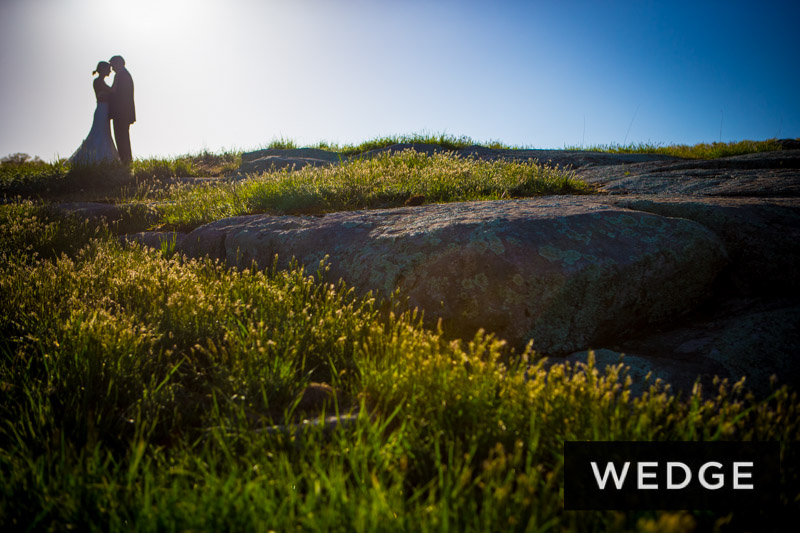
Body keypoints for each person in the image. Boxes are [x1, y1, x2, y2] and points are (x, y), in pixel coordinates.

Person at [68, 61, 120, 164]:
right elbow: (111, 91)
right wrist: (117, 78)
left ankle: (104, 158)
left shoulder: (101, 81)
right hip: (101, 109)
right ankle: (95, 158)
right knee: (99, 132)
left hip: (104, 110)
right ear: (103, 69)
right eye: (108, 69)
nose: (110, 71)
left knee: (104, 132)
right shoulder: (98, 81)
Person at [108, 55, 136, 164]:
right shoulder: (121, 75)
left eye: (113, 65)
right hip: (121, 113)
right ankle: (125, 160)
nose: (112, 68)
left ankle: (126, 161)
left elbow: (121, 96)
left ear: (119, 63)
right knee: (121, 137)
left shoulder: (124, 76)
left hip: (122, 113)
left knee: (122, 137)